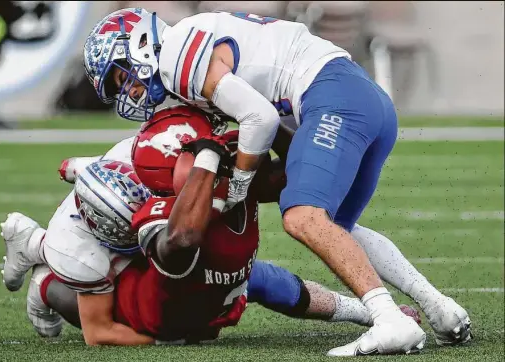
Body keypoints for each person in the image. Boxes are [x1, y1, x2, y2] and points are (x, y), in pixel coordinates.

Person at [82, 8, 471, 355]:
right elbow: (268, 115)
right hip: (361, 96)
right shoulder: (188, 44)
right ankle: (441, 309)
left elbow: (261, 118)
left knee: (302, 216)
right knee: (336, 228)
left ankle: (389, 319)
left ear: (139, 45)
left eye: (122, 76)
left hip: (333, 95)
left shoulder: (176, 58)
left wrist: (239, 182)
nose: (129, 91)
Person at [0, 129, 420, 345]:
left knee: (260, 280)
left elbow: (292, 173)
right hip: (141, 309)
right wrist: (167, 341)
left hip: (192, 285)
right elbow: (99, 334)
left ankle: (369, 311)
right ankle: (38, 262)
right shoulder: (162, 219)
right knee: (71, 276)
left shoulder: (232, 181)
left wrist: (267, 121)